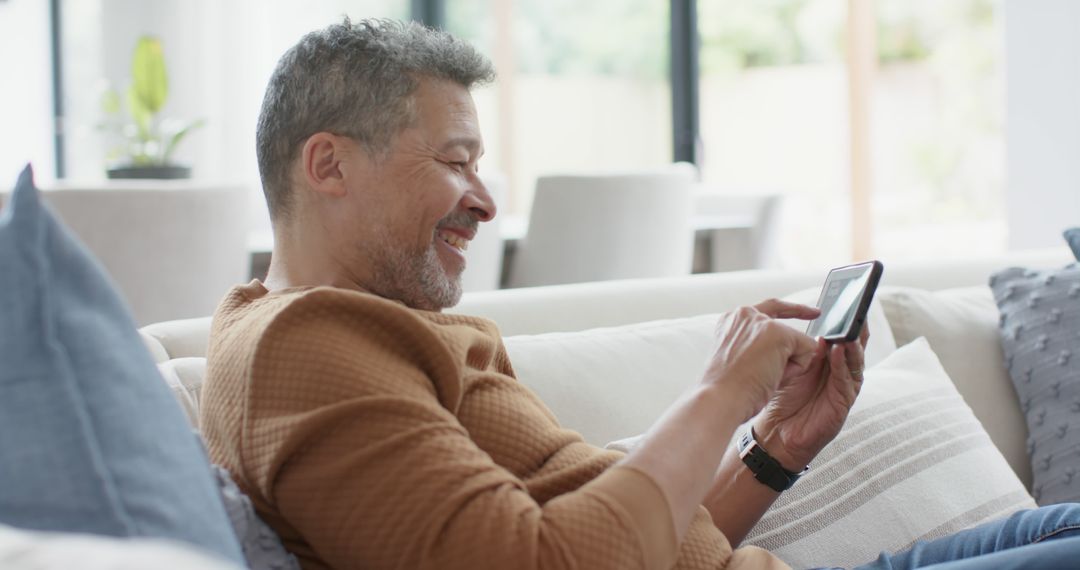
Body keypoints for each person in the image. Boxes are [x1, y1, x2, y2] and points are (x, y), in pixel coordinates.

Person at [201, 18, 1080, 570]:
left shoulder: (382, 332)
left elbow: (632, 545)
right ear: (328, 164)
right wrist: (720, 391)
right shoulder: (303, 345)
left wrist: (774, 448)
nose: (485, 198)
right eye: (455, 160)